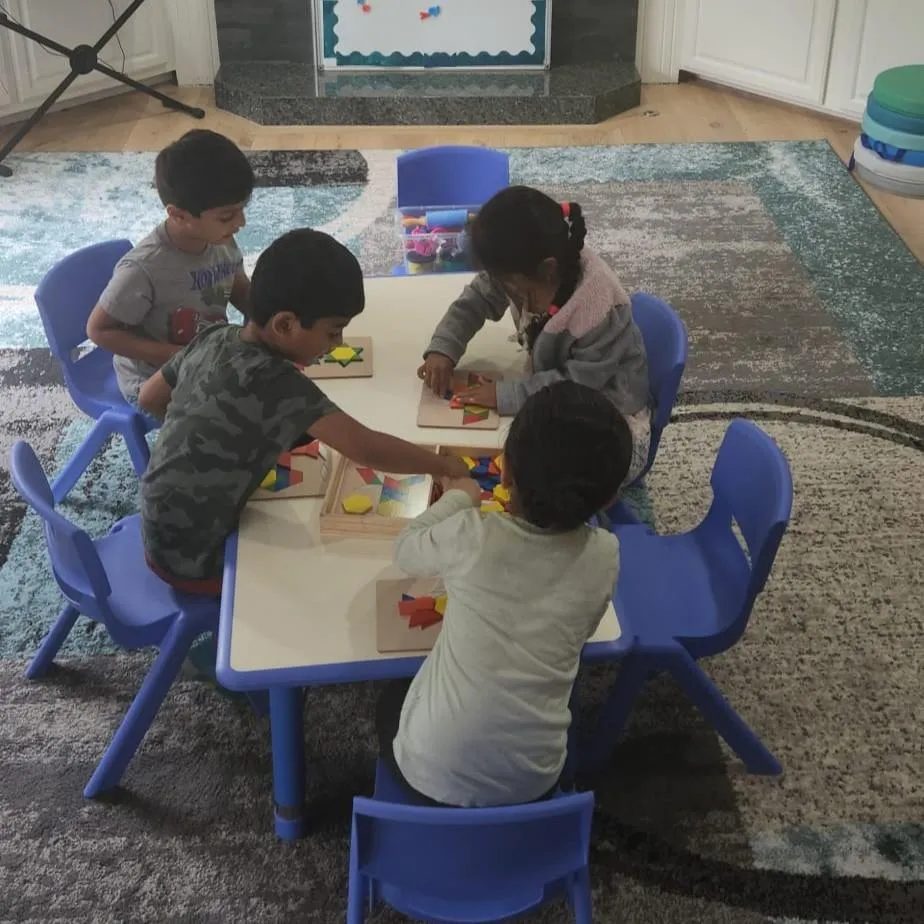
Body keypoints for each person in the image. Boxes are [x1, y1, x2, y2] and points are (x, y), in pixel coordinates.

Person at [137, 227, 468, 597]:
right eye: (333, 332)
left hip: (155, 521)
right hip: (192, 557)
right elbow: (366, 448)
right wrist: (442, 465)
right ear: (285, 325)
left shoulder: (215, 337)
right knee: (318, 578)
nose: (339, 343)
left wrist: (206, 430)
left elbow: (148, 398)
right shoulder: (275, 382)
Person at [377, 380, 631, 807]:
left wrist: (460, 498)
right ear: (609, 499)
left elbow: (405, 549)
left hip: (429, 773)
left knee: (389, 696)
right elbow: (581, 631)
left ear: (506, 471)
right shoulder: (606, 554)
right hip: (535, 782)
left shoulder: (473, 534)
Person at [418, 185, 651, 485]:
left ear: (547, 270)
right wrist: (444, 347)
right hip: (557, 394)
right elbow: (476, 300)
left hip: (610, 421)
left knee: (546, 482)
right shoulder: (520, 269)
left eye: (509, 284)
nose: (502, 288)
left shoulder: (598, 308)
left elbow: (577, 387)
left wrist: (506, 394)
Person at [87, 129, 255, 407]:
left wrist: (268, 322)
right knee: (232, 427)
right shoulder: (143, 268)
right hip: (153, 380)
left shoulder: (220, 239)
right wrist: (178, 355)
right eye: (227, 216)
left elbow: (238, 287)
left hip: (207, 355)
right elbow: (98, 330)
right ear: (178, 215)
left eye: (242, 209)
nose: (241, 222)